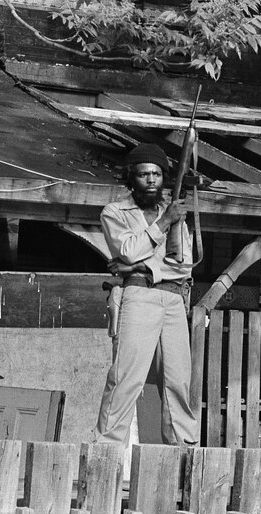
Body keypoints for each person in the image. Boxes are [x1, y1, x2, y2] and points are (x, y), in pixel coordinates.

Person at [94, 143, 199, 446]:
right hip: (139, 295)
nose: (151, 180)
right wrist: (164, 223)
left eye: (156, 174)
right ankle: (107, 447)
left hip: (174, 299)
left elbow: (184, 265)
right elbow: (126, 250)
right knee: (127, 377)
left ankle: (183, 450)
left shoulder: (176, 214)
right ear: (132, 179)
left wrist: (137, 262)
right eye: (143, 174)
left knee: (178, 381)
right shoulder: (115, 212)